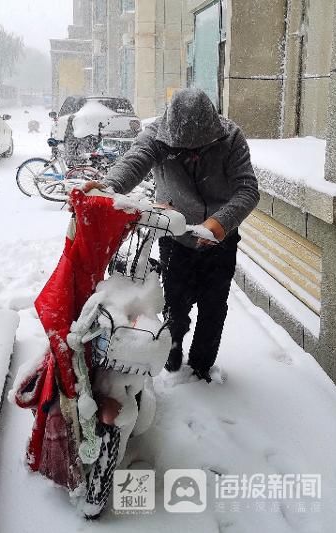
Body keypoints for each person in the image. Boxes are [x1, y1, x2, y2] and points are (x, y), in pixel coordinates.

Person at [82, 88, 259, 382]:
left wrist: (220, 222)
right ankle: (171, 361)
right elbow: (134, 162)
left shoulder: (231, 138)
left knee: (214, 308)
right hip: (176, 239)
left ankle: (202, 367)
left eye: (200, 148)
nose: (193, 155)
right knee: (176, 305)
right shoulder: (157, 136)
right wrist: (107, 188)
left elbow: (247, 189)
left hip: (221, 241)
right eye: (184, 150)